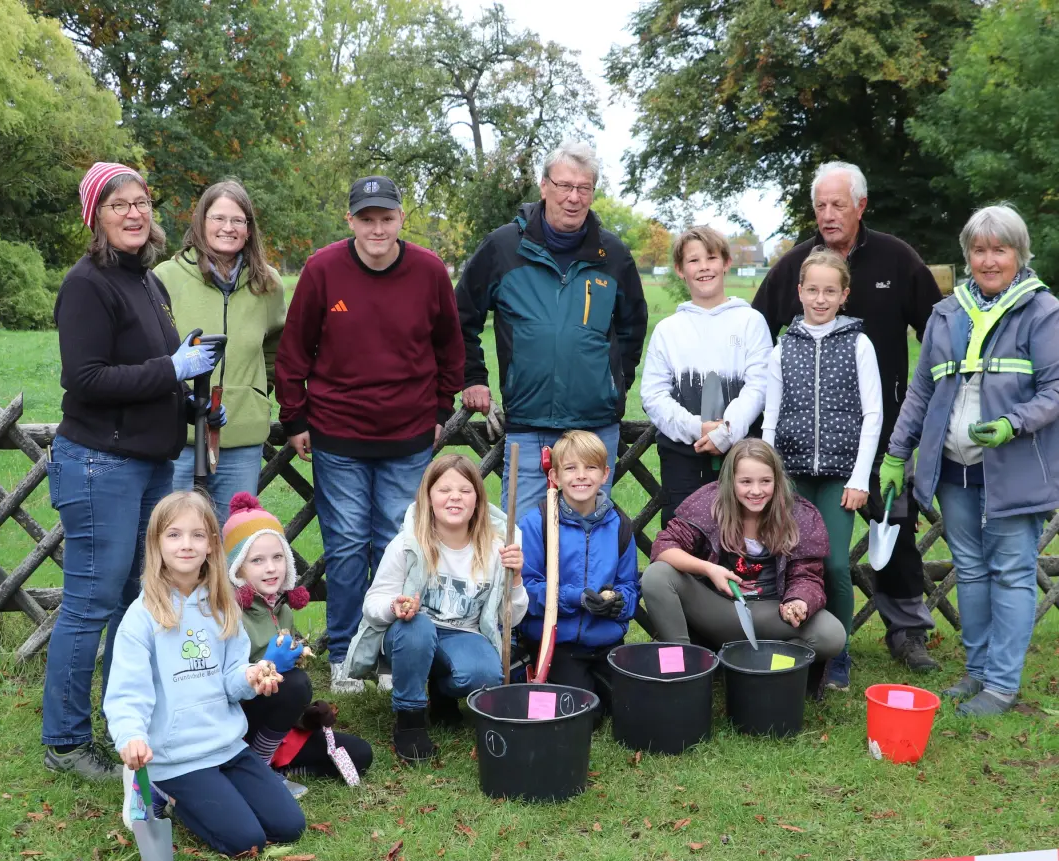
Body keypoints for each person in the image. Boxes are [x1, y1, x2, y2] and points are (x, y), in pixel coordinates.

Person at [42, 162, 224, 780]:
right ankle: (65, 741)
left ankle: (127, 720)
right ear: (96, 216)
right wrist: (172, 369)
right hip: (99, 464)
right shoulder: (87, 284)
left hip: (147, 462)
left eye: (142, 202)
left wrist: (189, 386)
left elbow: (152, 368)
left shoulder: (147, 282)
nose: (133, 213)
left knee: (134, 598)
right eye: (118, 204)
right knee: (91, 602)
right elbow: (85, 379)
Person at [881, 205, 1059, 717]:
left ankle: (1001, 686)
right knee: (969, 569)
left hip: (1013, 466)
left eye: (1000, 249)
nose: (989, 260)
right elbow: (922, 391)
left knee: (1012, 571)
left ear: (1020, 254)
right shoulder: (947, 313)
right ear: (967, 255)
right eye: (980, 249)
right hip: (954, 465)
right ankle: (977, 672)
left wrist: (1014, 422)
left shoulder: (1044, 313)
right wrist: (896, 454)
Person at [752, 161, 943, 675]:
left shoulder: (897, 259)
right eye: (821, 205)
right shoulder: (795, 265)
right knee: (809, 551)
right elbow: (758, 331)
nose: (829, 214)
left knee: (896, 530)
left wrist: (930, 397)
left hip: (886, 432)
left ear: (861, 205)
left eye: (839, 204)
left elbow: (937, 332)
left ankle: (905, 631)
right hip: (804, 441)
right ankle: (798, 635)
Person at [275, 175, 465, 693]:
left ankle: (384, 652)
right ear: (350, 221)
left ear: (402, 218)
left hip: (408, 435)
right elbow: (294, 352)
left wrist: (439, 411)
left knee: (397, 545)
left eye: (386, 218)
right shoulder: (322, 270)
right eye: (366, 218)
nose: (377, 228)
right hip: (338, 434)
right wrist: (294, 418)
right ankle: (342, 654)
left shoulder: (428, 272)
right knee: (345, 546)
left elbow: (452, 347)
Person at [103, 491, 305, 857]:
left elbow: (230, 679)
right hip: (175, 756)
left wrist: (250, 676)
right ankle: (166, 793)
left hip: (226, 744)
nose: (186, 545)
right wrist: (131, 735)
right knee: (247, 841)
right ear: (157, 543)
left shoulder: (222, 605)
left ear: (213, 545)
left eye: (198, 535)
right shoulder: (142, 615)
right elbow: (127, 691)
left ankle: (219, 793)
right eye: (174, 534)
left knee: (290, 826)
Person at [454, 141, 649, 519]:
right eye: (564, 186)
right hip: (529, 428)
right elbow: (461, 316)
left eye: (584, 188)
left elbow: (632, 330)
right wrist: (473, 376)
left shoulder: (613, 255)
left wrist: (612, 385)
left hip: (594, 428)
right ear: (544, 187)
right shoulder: (503, 247)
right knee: (523, 539)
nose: (574, 197)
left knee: (589, 535)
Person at [343, 455, 526, 762]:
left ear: (478, 500)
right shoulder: (407, 544)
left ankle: (442, 695)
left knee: (485, 677)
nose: (455, 497)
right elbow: (372, 605)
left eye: (465, 490)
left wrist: (516, 578)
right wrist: (395, 605)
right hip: (410, 634)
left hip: (464, 635)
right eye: (444, 490)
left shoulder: (496, 547)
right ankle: (409, 717)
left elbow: (513, 618)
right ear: (428, 497)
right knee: (418, 627)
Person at [637, 439, 846, 696]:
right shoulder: (711, 503)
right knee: (657, 575)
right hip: (719, 608)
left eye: (765, 481)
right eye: (746, 482)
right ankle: (686, 669)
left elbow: (807, 575)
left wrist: (799, 601)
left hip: (771, 614)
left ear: (777, 481)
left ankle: (767, 669)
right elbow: (664, 546)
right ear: (731, 481)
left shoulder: (798, 514)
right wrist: (709, 569)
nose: (755, 491)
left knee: (832, 634)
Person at [763, 248, 883, 691]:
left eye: (829, 291)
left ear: (844, 295)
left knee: (832, 564)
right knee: (790, 562)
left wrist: (859, 478)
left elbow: (873, 414)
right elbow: (771, 419)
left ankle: (838, 655)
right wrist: (773, 479)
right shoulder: (783, 347)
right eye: (812, 289)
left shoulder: (858, 343)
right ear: (799, 291)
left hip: (838, 477)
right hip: (792, 475)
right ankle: (794, 646)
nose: (819, 298)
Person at [223, 493, 372, 799]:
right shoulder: (227, 613)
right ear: (237, 568)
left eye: (278, 557)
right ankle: (258, 770)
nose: (270, 568)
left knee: (360, 754)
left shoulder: (281, 607)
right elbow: (230, 686)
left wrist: (305, 715)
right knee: (296, 684)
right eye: (257, 560)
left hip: (273, 725)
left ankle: (278, 765)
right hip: (237, 723)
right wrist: (273, 668)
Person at [157, 181, 286, 527]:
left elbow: (276, 345)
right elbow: (154, 351)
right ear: (200, 221)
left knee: (233, 538)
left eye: (238, 220)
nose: (227, 228)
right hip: (179, 438)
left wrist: (257, 391)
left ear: (249, 229)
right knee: (177, 538)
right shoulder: (165, 278)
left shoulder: (268, 284)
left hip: (241, 438)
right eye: (218, 218)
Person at [641, 226, 773, 523]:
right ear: (679, 269)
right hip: (682, 456)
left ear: (726, 263)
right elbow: (653, 394)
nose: (703, 267)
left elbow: (759, 386)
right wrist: (696, 428)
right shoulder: (668, 331)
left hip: (743, 456)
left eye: (711, 258)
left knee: (741, 538)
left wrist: (726, 431)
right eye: (693, 260)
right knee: (685, 535)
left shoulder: (750, 321)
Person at [518, 430, 641, 711]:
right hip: (557, 642)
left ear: (605, 474)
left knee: (629, 706)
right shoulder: (538, 522)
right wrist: (577, 598)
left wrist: (619, 602)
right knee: (583, 712)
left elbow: (630, 584)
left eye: (591, 467)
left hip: (606, 641)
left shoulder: (619, 524)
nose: (581, 476)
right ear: (556, 477)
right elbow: (525, 588)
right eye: (571, 468)